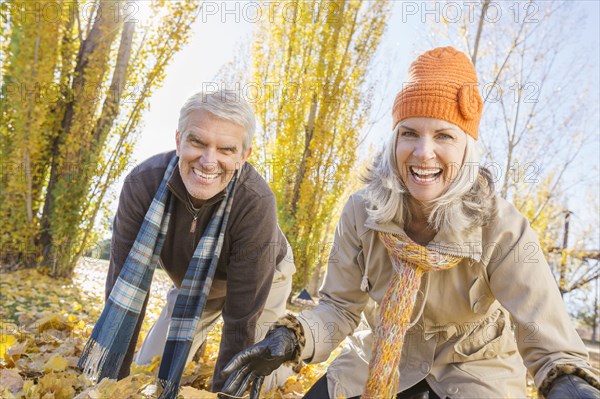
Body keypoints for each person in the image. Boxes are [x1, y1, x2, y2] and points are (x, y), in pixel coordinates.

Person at [218, 47, 600, 399]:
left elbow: (545, 334)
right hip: (379, 353)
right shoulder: (361, 212)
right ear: (393, 141)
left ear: (466, 150)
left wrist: (568, 383)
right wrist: (291, 338)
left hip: (475, 368)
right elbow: (340, 307)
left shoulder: (502, 227)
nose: (423, 152)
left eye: (444, 136)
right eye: (410, 133)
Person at [78, 89, 294, 398]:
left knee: (258, 369)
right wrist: (112, 385)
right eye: (197, 142)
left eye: (226, 149)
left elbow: (242, 320)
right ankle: (197, 334)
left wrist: (224, 395)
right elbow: (122, 291)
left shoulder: (256, 203)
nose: (208, 161)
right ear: (179, 140)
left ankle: (284, 354)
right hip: (193, 281)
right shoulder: (142, 184)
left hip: (266, 277)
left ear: (243, 156)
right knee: (148, 370)